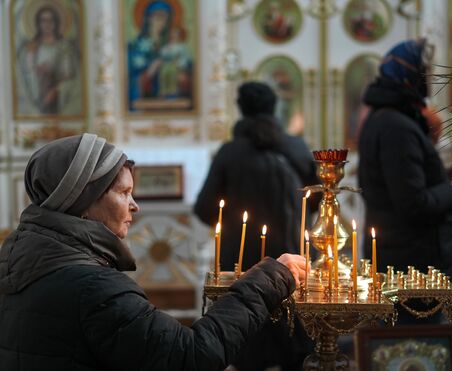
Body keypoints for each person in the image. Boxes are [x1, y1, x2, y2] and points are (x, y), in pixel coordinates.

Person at [0, 133, 306, 371]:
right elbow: (190, 357)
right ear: (82, 201)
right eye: (124, 193)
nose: (135, 206)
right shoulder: (93, 287)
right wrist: (270, 279)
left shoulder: (17, 258)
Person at [194, 81, 318, 370]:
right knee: (294, 347)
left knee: (248, 347)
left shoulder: (230, 152)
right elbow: (316, 201)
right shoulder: (297, 147)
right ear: (274, 108)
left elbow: (204, 208)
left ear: (241, 109)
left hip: (242, 266)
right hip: (291, 262)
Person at [358, 39, 452, 293]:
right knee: (416, 332)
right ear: (409, 73)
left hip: (400, 255)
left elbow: (399, 183)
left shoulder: (384, 117)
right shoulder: (397, 127)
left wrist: (441, 178)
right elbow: (413, 203)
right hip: (412, 264)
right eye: (425, 72)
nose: (429, 79)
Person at [17, 5, 80, 115]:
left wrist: (51, 74)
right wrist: (37, 71)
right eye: (43, 20)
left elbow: (69, 75)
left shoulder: (64, 47)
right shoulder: (30, 48)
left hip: (57, 93)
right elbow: (26, 74)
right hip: (36, 92)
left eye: (51, 20)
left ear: (56, 23)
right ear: (38, 23)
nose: (47, 24)